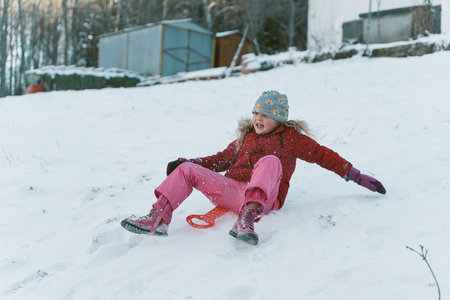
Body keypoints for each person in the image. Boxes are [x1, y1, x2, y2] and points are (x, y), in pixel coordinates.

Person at [121, 90, 386, 245]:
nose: (258, 118)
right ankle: (158, 217)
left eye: (265, 115)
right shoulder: (245, 137)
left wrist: (354, 175)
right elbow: (221, 160)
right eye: (256, 113)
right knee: (187, 169)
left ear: (278, 118)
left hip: (265, 198)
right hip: (233, 190)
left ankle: (247, 220)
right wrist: (195, 163)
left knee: (269, 161)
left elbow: (322, 155)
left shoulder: (292, 139)